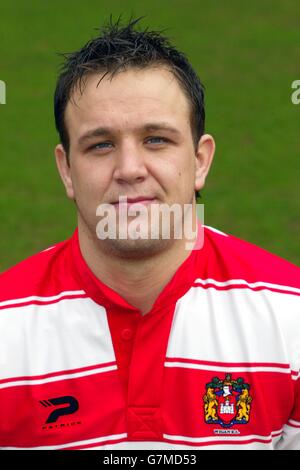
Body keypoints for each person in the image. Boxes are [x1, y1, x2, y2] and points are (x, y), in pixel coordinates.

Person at [0, 15, 299, 451]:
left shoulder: (290, 316)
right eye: (100, 144)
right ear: (66, 170)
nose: (130, 170)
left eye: (156, 139)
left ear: (200, 160)